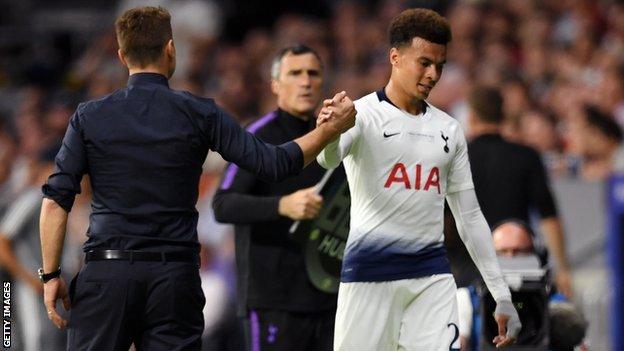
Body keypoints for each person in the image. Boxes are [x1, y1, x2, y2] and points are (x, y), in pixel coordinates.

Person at [38, 7, 355, 351]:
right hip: (174, 280)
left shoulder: (89, 116)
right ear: (170, 49)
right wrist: (328, 131)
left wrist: (51, 275)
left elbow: (55, 202)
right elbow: (274, 162)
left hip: (107, 272)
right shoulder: (200, 112)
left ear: (121, 56)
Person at [316, 8, 520, 351]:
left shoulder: (449, 129)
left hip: (431, 275)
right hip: (369, 274)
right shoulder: (362, 115)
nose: (433, 74)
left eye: (439, 65)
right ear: (394, 57)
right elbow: (327, 158)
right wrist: (330, 131)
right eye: (424, 62)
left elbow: (469, 216)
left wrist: (501, 293)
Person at [212, 44, 336, 350]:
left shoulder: (335, 140)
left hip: (329, 296)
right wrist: (282, 205)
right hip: (273, 299)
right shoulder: (256, 137)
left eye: (313, 73)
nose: (305, 81)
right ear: (276, 85)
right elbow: (223, 204)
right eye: (295, 73)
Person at [459, 86, 573, 297]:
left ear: (472, 116)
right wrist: (563, 268)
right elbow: (548, 216)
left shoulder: (458, 159)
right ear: (503, 115)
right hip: (517, 265)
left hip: (468, 267)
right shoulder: (526, 156)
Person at [0, 145, 66, 351]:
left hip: (50, 287)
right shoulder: (33, 197)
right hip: (25, 291)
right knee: (32, 341)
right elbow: (2, 242)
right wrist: (33, 280)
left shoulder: (59, 200)